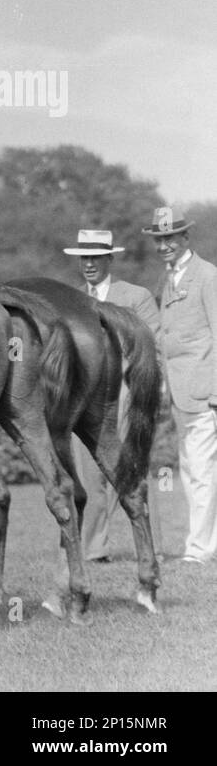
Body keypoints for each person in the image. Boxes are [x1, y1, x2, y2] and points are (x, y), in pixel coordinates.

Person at [60, 229, 161, 561]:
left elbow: (154, 345)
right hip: (85, 395)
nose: (89, 264)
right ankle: (94, 549)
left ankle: (148, 547)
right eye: (84, 258)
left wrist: (152, 388)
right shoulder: (71, 300)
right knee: (89, 473)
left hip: (127, 390)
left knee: (131, 467)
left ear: (109, 259)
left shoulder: (136, 296)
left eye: (96, 257)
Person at [145, 207, 217, 565]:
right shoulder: (168, 277)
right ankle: (204, 544)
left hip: (205, 393)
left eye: (170, 238)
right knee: (191, 471)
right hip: (180, 395)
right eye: (159, 239)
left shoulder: (207, 276)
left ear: (185, 238)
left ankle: (199, 549)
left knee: (201, 471)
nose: (164, 245)